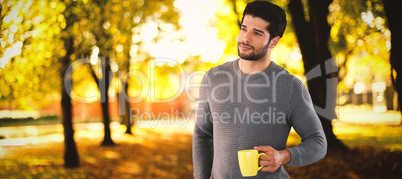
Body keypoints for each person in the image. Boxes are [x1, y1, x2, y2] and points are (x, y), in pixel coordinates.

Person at [192, 1, 327, 178]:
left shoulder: (290, 86)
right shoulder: (213, 78)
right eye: (244, 28)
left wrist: (283, 156)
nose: (245, 38)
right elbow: (202, 135)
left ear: (273, 42)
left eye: (257, 33)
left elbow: (318, 142)